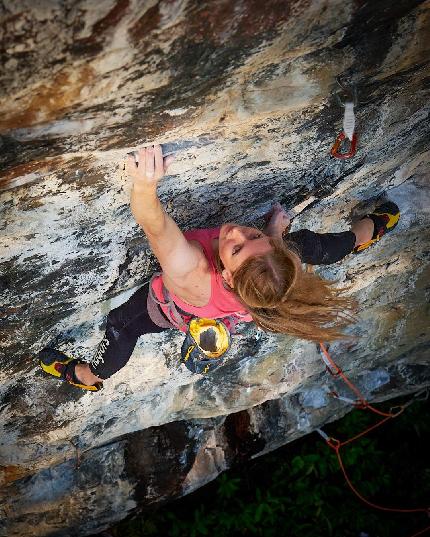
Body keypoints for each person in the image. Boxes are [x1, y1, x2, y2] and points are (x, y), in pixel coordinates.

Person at [39, 145, 400, 391]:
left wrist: (145, 185)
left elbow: (155, 225)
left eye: (238, 247)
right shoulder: (265, 273)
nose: (237, 232)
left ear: (226, 276)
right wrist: (273, 232)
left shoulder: (190, 269)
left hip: (173, 307)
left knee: (121, 326)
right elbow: (269, 249)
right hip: (242, 300)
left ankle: (86, 375)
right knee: (310, 246)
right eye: (254, 234)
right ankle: (369, 232)